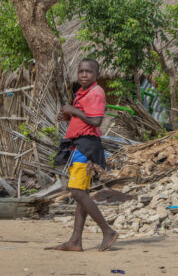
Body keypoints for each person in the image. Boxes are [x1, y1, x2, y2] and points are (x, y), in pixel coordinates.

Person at [48, 58, 118, 252]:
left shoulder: (96, 92)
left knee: (77, 192)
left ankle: (108, 231)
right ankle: (75, 241)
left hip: (86, 146)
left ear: (97, 75)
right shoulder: (81, 92)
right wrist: (69, 115)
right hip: (77, 144)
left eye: (88, 72)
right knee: (82, 194)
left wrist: (74, 111)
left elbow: (96, 122)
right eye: (81, 71)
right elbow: (83, 116)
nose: (84, 75)